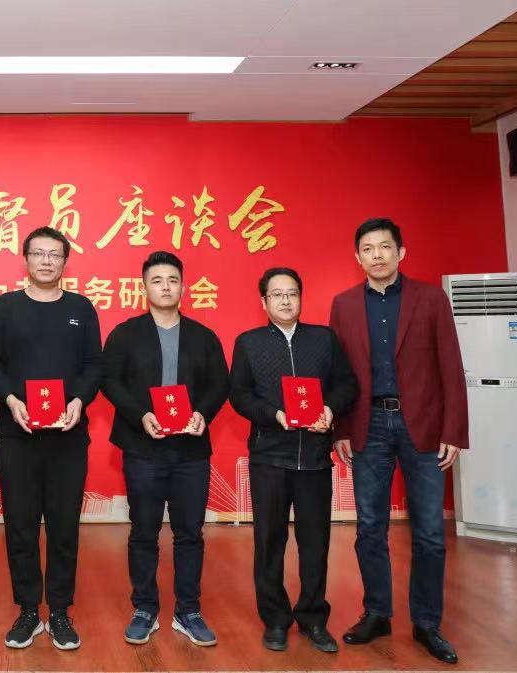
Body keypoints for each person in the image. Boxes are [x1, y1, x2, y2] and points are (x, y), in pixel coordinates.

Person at [329, 218, 467, 665]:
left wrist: (453, 430)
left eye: (385, 247)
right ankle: (377, 613)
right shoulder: (344, 305)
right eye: (368, 249)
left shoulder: (431, 299)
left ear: (401, 252)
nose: (377, 255)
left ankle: (427, 623)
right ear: (358, 257)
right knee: (370, 527)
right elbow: (338, 374)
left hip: (422, 424)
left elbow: (451, 365)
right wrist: (341, 429)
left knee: (429, 532)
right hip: (368, 425)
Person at [0, 226, 103, 650]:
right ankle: (29, 610)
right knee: (20, 525)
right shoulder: (5, 307)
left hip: (68, 436)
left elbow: (94, 365)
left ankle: (61, 610)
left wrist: (79, 400)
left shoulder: (81, 308)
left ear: (65, 261)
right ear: (26, 259)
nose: (46, 261)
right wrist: (11, 399)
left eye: (54, 254)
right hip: (17, 434)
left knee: (64, 526)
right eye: (38, 253)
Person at [102, 251, 229, 647]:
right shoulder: (125, 334)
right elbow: (110, 381)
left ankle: (188, 610)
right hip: (143, 448)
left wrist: (202, 413)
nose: (166, 287)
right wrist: (140, 414)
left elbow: (219, 384)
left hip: (191, 451)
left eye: (173, 280)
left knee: (190, 532)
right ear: (144, 287)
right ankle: (145, 607)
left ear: (183, 286)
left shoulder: (203, 337)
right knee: (144, 531)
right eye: (157, 280)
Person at [229, 267, 357, 653]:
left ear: (301, 297)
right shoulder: (249, 343)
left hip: (315, 459)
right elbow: (239, 394)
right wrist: (274, 415)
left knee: (315, 543)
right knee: (269, 542)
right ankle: (275, 619)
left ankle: (314, 618)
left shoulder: (324, 339)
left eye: (292, 293)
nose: (285, 301)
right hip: (269, 458)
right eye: (277, 294)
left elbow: (347, 384)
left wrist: (330, 409)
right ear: (263, 301)